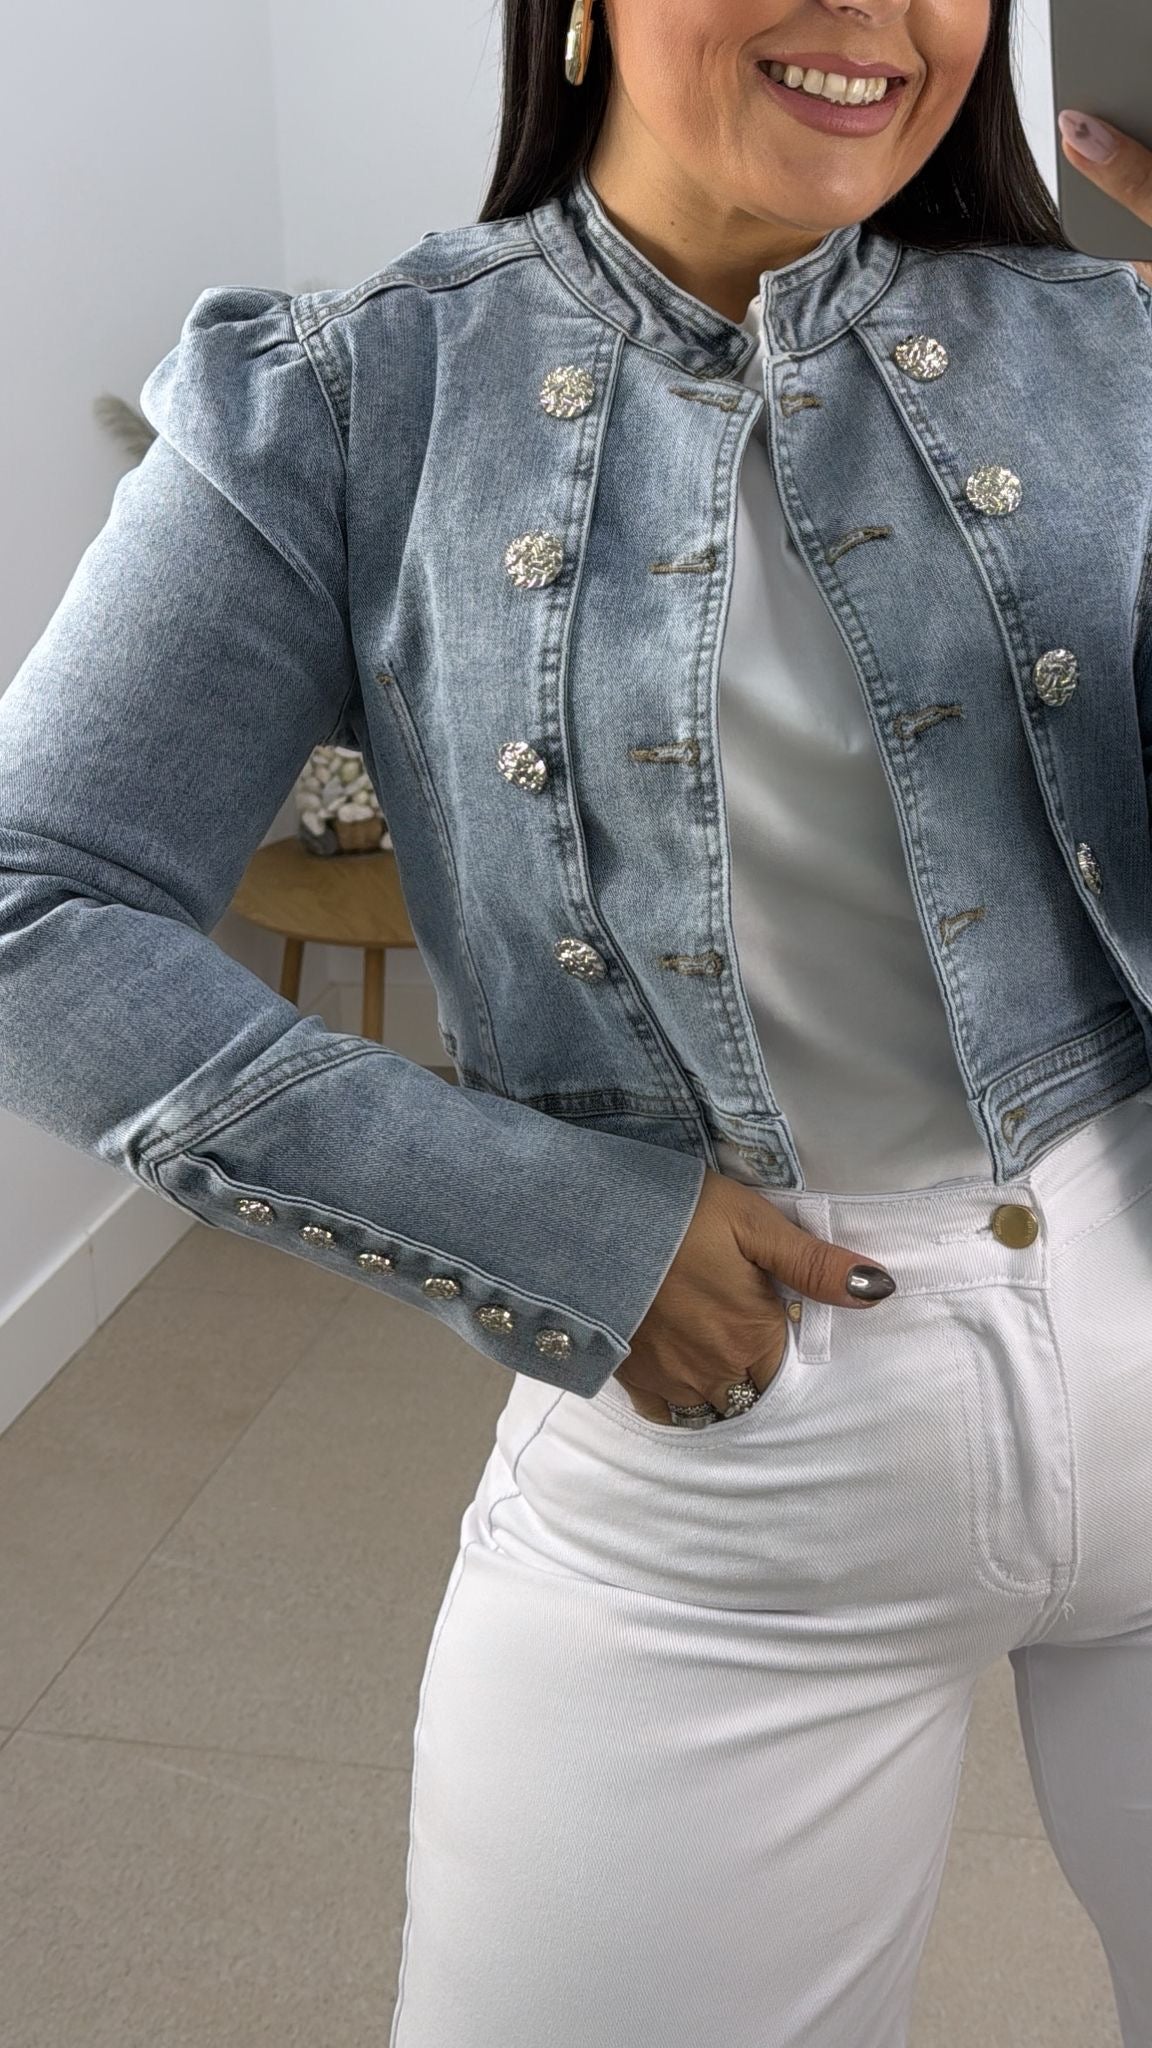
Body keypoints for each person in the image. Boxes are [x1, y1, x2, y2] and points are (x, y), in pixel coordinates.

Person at [3, 0, 1152, 2041]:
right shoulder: (350, 404)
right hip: (719, 1479)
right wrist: (564, 1232)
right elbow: (37, 899)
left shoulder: (1114, 346)